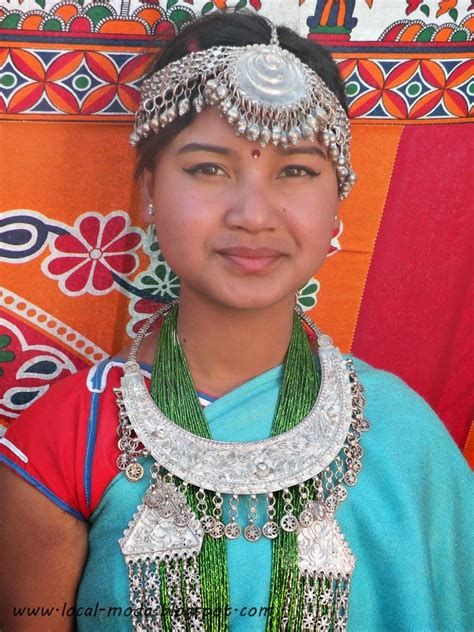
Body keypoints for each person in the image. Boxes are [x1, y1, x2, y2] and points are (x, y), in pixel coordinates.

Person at [0, 11, 472, 632]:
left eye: (297, 170)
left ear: (338, 199)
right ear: (147, 190)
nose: (254, 214)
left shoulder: (407, 435)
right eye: (209, 168)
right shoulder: (63, 443)